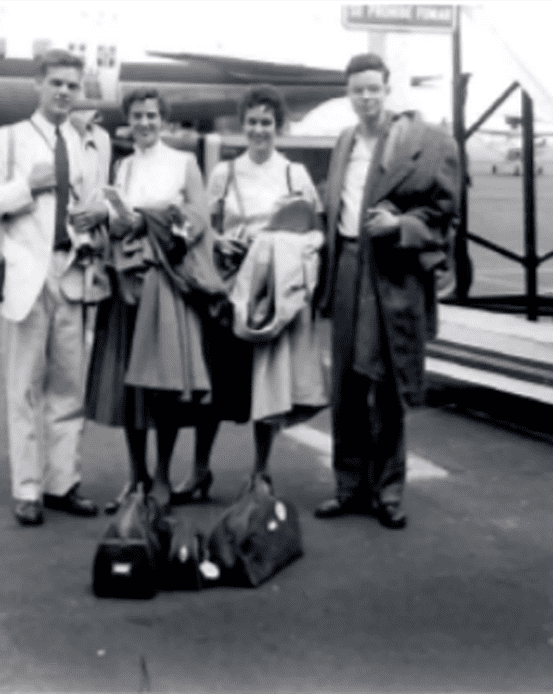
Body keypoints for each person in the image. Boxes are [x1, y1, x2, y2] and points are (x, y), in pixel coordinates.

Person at [314, 53, 460, 530]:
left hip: (390, 270)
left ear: (387, 88)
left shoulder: (419, 142)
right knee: (347, 388)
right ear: (348, 93)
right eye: (358, 90)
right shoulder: (344, 141)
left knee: (388, 385)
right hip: (348, 269)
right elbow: (334, 205)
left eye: (374, 88)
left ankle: (389, 492)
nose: (366, 97)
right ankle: (349, 487)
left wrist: (401, 224)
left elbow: (443, 215)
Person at [0, 49, 100, 526]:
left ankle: (63, 482)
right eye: (56, 83)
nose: (64, 92)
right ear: (37, 85)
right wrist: (27, 185)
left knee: (69, 387)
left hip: (71, 270)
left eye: (72, 85)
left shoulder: (84, 143)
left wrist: (87, 228)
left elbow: (83, 204)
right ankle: (27, 488)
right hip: (26, 275)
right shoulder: (8, 139)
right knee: (23, 386)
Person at [173, 85, 328, 502]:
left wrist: (280, 246)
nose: (259, 129)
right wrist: (222, 240)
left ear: (279, 126)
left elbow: (315, 233)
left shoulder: (295, 173)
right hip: (229, 290)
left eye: (267, 122)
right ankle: (199, 470)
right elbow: (204, 228)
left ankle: (261, 473)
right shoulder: (225, 173)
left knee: (267, 383)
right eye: (252, 122)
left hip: (271, 295)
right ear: (243, 126)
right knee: (215, 383)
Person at [84, 88, 223, 514]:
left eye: (152, 116)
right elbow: (118, 220)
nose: (144, 123)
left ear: (164, 120)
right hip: (127, 279)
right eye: (138, 116)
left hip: (166, 282)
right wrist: (113, 221)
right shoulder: (123, 166)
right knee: (130, 383)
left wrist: (148, 219)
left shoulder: (185, 163)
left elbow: (198, 220)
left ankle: (162, 474)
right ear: (129, 120)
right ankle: (136, 475)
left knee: (162, 384)